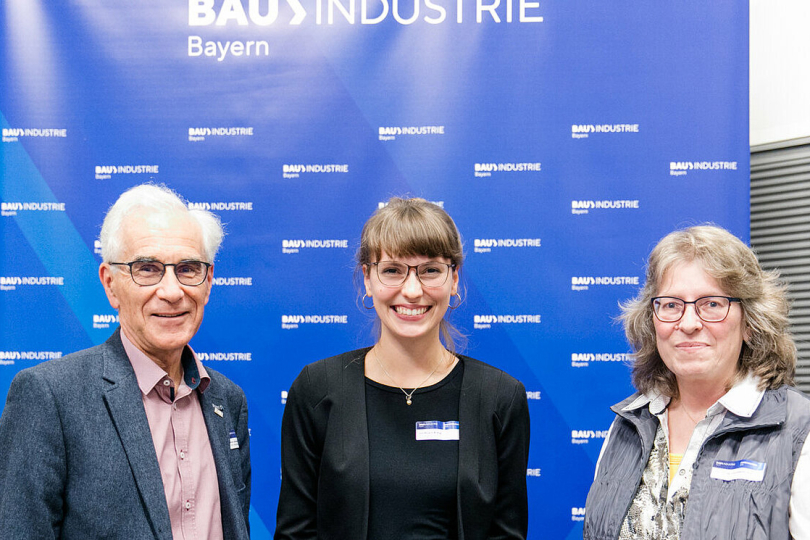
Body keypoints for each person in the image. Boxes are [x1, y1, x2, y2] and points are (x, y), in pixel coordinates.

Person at [0, 184, 251, 539]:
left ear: (208, 282)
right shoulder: (51, 397)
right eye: (147, 268)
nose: (172, 291)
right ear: (110, 284)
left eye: (188, 268)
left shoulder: (227, 399)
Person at [274, 197, 530, 539]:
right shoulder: (316, 389)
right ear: (367, 279)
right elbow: (296, 532)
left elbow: (506, 533)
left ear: (454, 279)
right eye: (392, 270)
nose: (412, 290)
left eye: (430, 270)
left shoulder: (500, 397)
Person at [584, 225, 810, 539]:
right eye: (671, 305)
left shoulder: (798, 430)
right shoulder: (628, 424)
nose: (689, 323)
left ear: (749, 323)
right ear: (652, 321)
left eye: (712, 304)